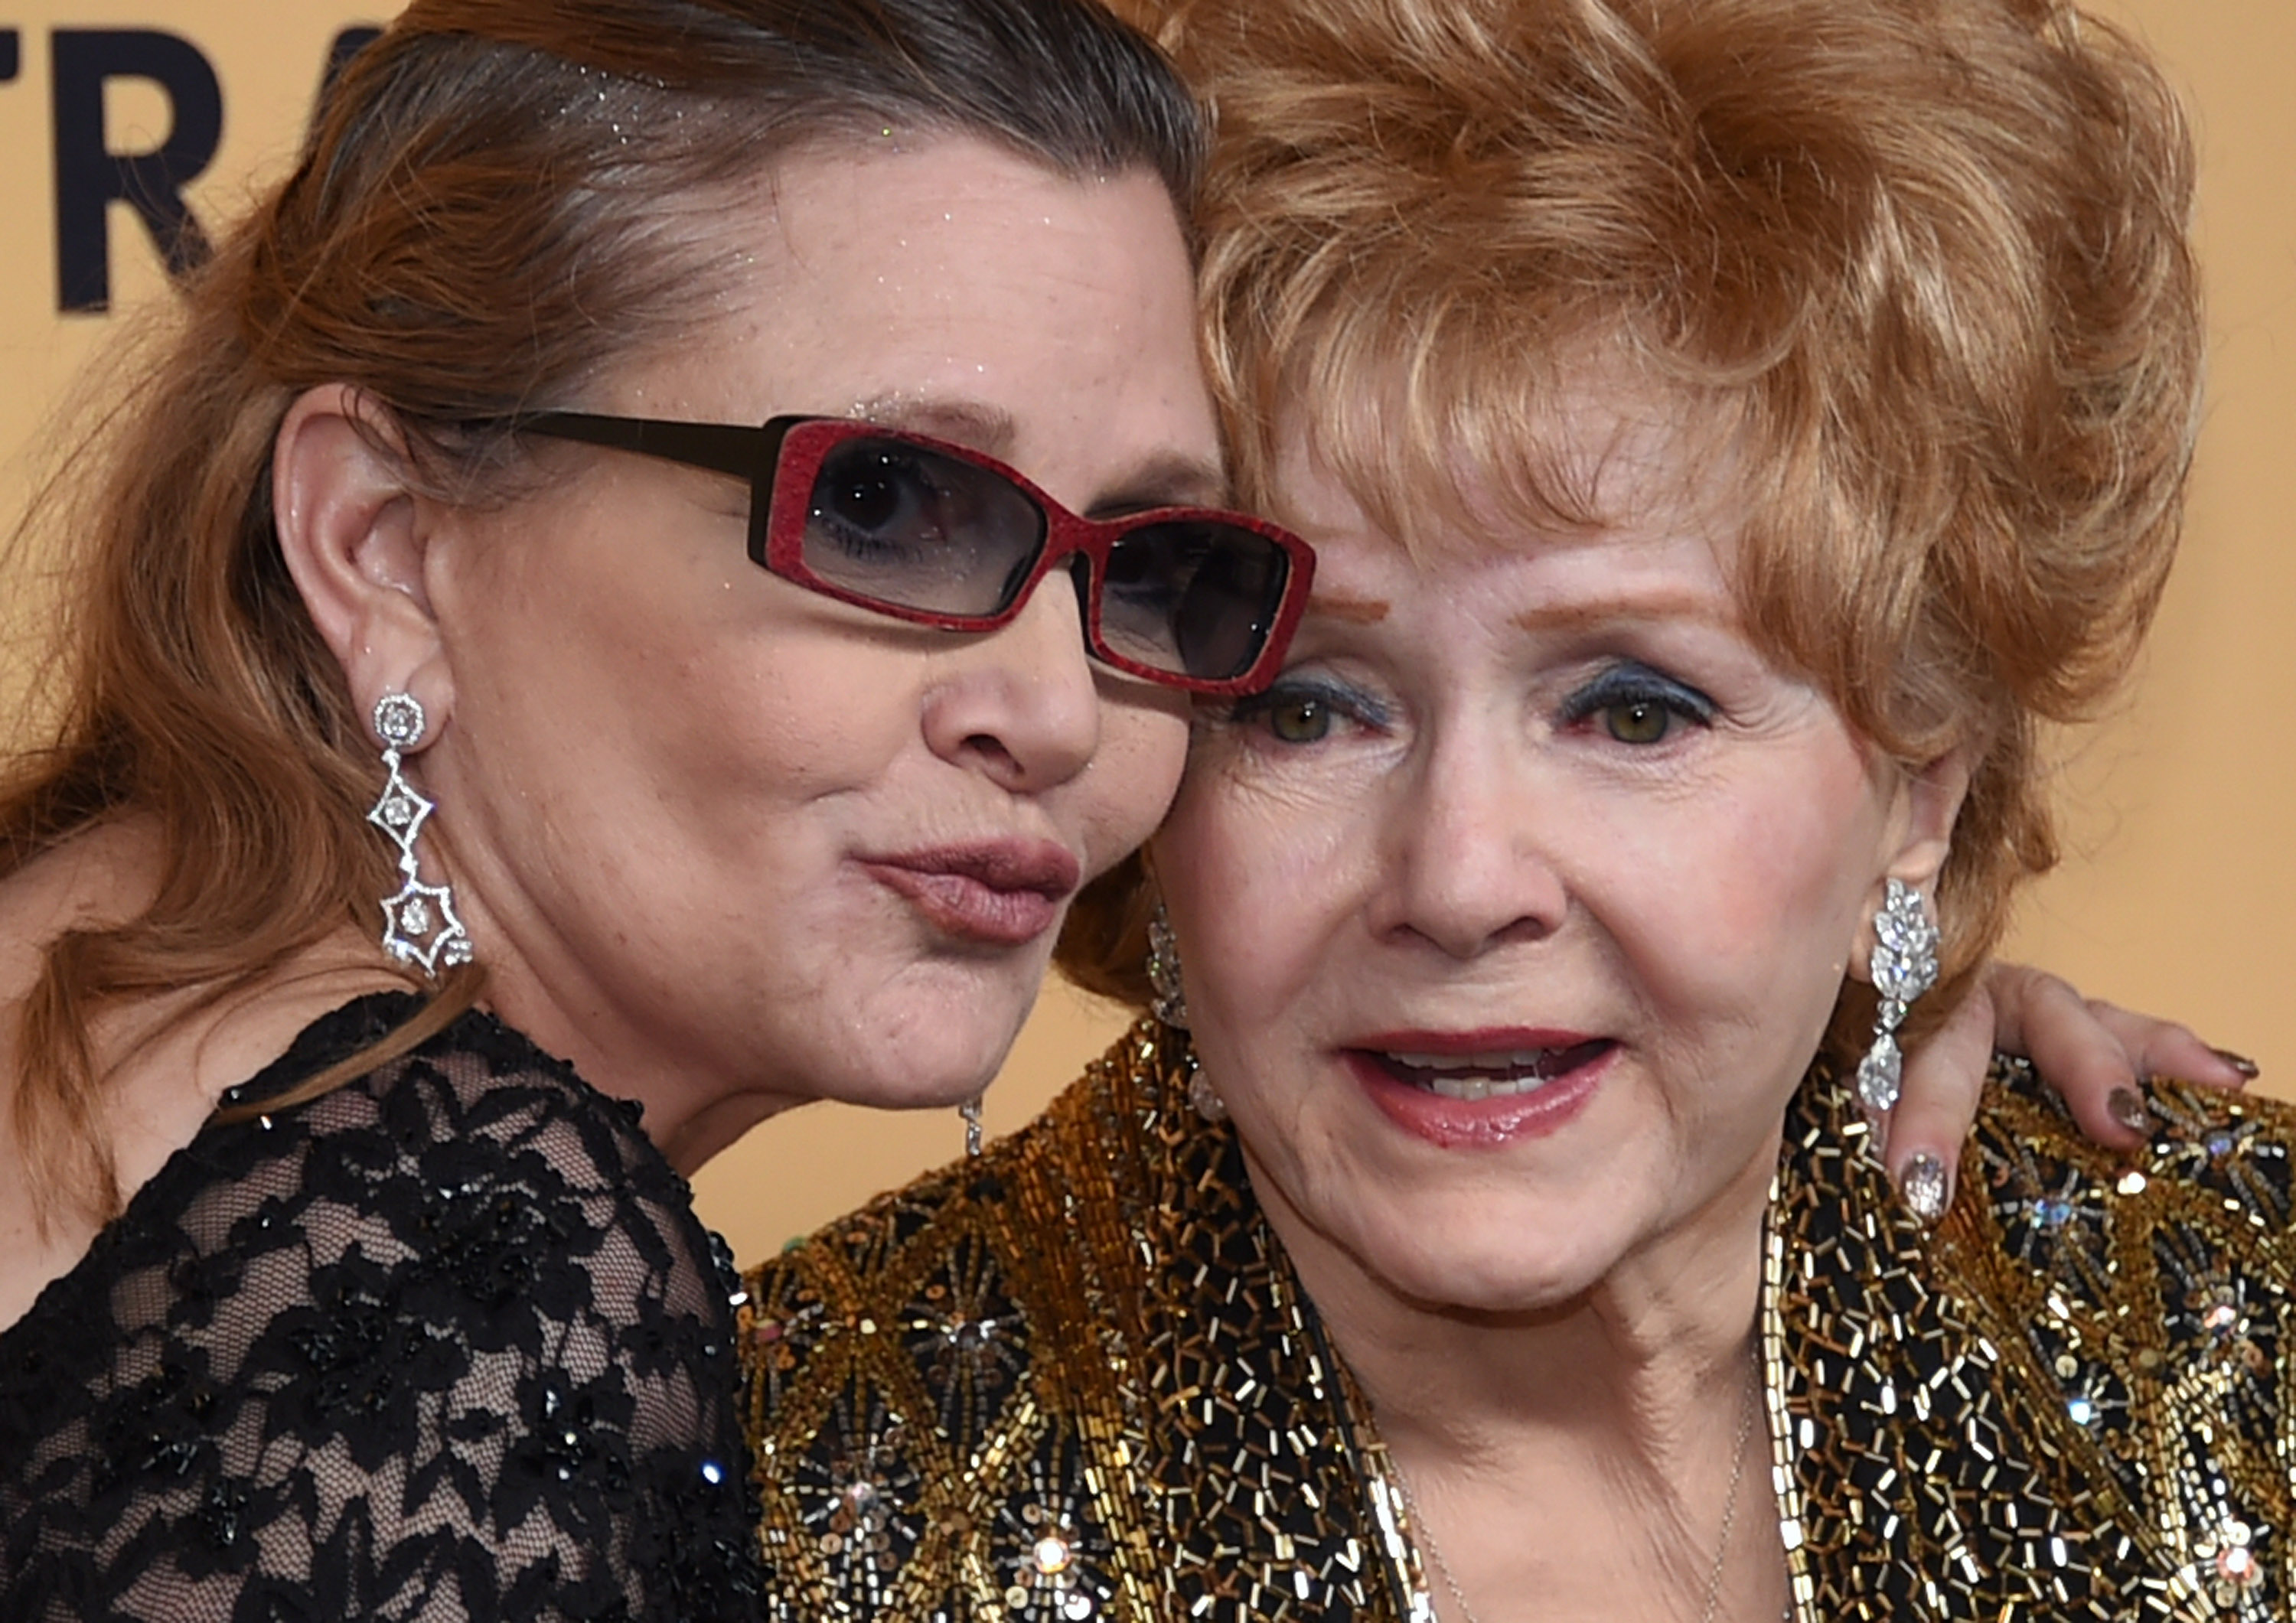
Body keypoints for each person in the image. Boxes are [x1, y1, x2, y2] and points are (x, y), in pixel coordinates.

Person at [741, 0, 2286, 1618]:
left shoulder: (2234, 1318)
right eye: (1305, 704)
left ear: (1921, 787)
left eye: (1634, 707)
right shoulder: (784, 1507)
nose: (1461, 879)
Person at [0, 0, 1304, 1615]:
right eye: (889, 506)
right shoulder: (462, 1266)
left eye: (1155, 561)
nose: (1053, 711)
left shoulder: (98, 969)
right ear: (385, 543)